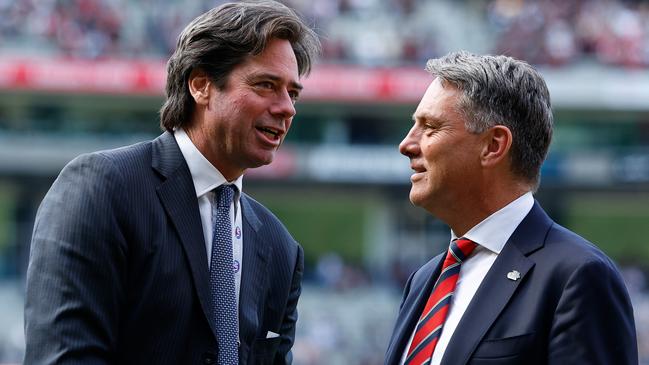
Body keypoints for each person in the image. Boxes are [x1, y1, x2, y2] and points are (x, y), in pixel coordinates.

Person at [24, 2, 319, 364]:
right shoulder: (103, 188)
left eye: (293, 93)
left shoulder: (280, 248)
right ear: (201, 85)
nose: (287, 107)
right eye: (266, 85)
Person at [385, 51, 637, 365]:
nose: (407, 144)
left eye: (431, 127)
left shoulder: (577, 275)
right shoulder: (423, 281)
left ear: (493, 146)